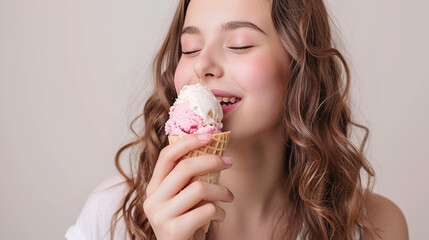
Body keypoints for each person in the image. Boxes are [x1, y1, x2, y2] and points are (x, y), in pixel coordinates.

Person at [65, 0, 409, 239]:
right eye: (189, 48)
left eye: (240, 44)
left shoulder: (373, 226)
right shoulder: (113, 216)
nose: (203, 65)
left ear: (300, 66)